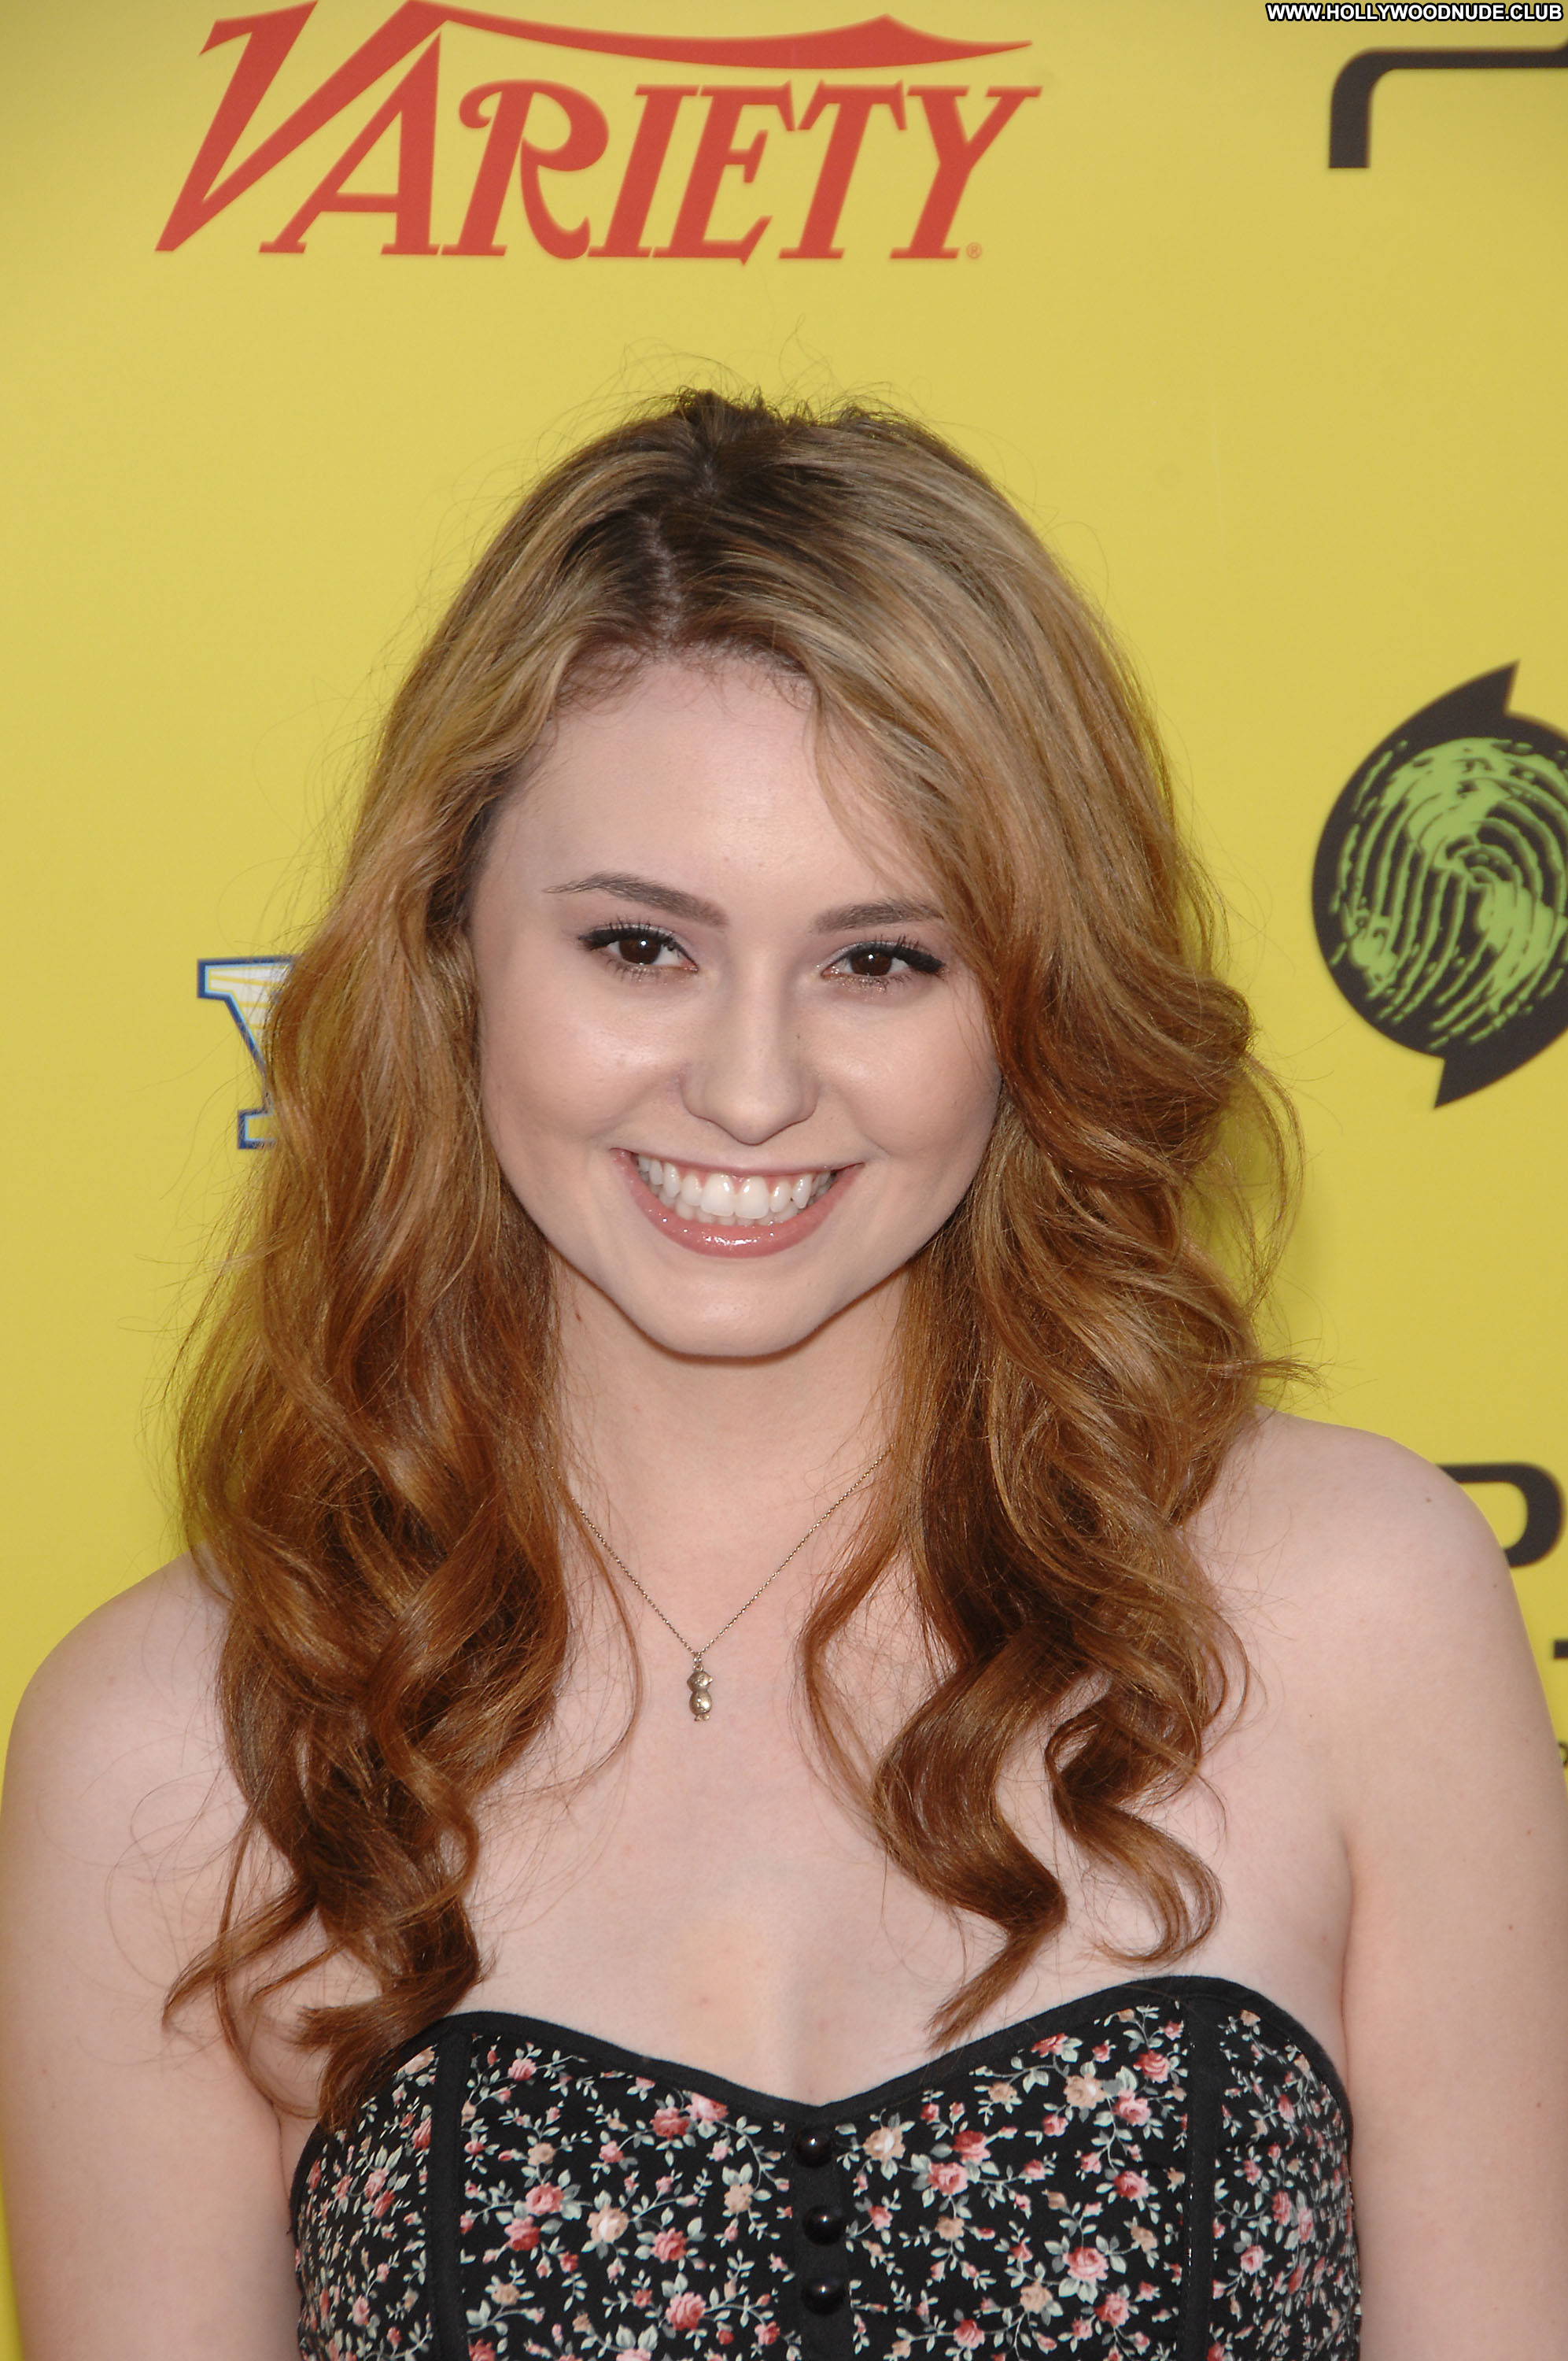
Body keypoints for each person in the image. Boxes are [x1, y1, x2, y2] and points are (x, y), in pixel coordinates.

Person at [2, 391, 1565, 2361]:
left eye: (881, 959)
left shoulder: (1352, 1609)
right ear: (451, 943)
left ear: (1033, 998)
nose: (750, 1086)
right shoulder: (182, 1755)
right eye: (639, 946)